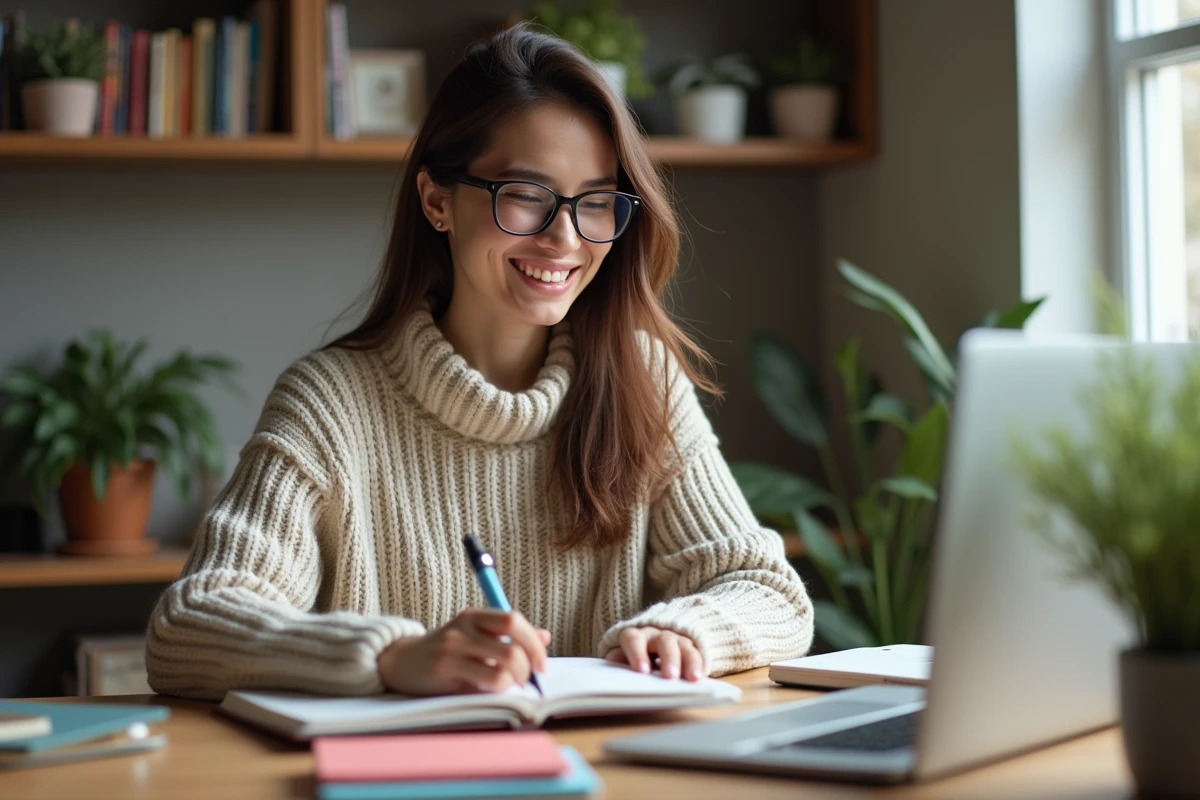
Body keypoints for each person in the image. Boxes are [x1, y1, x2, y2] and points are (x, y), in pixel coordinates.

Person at [145, 23, 813, 701]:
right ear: (437, 200)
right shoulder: (331, 402)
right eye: (526, 195)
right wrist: (391, 656)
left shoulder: (642, 378)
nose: (565, 237)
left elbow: (769, 592)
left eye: (596, 201)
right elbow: (191, 627)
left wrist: (690, 629)